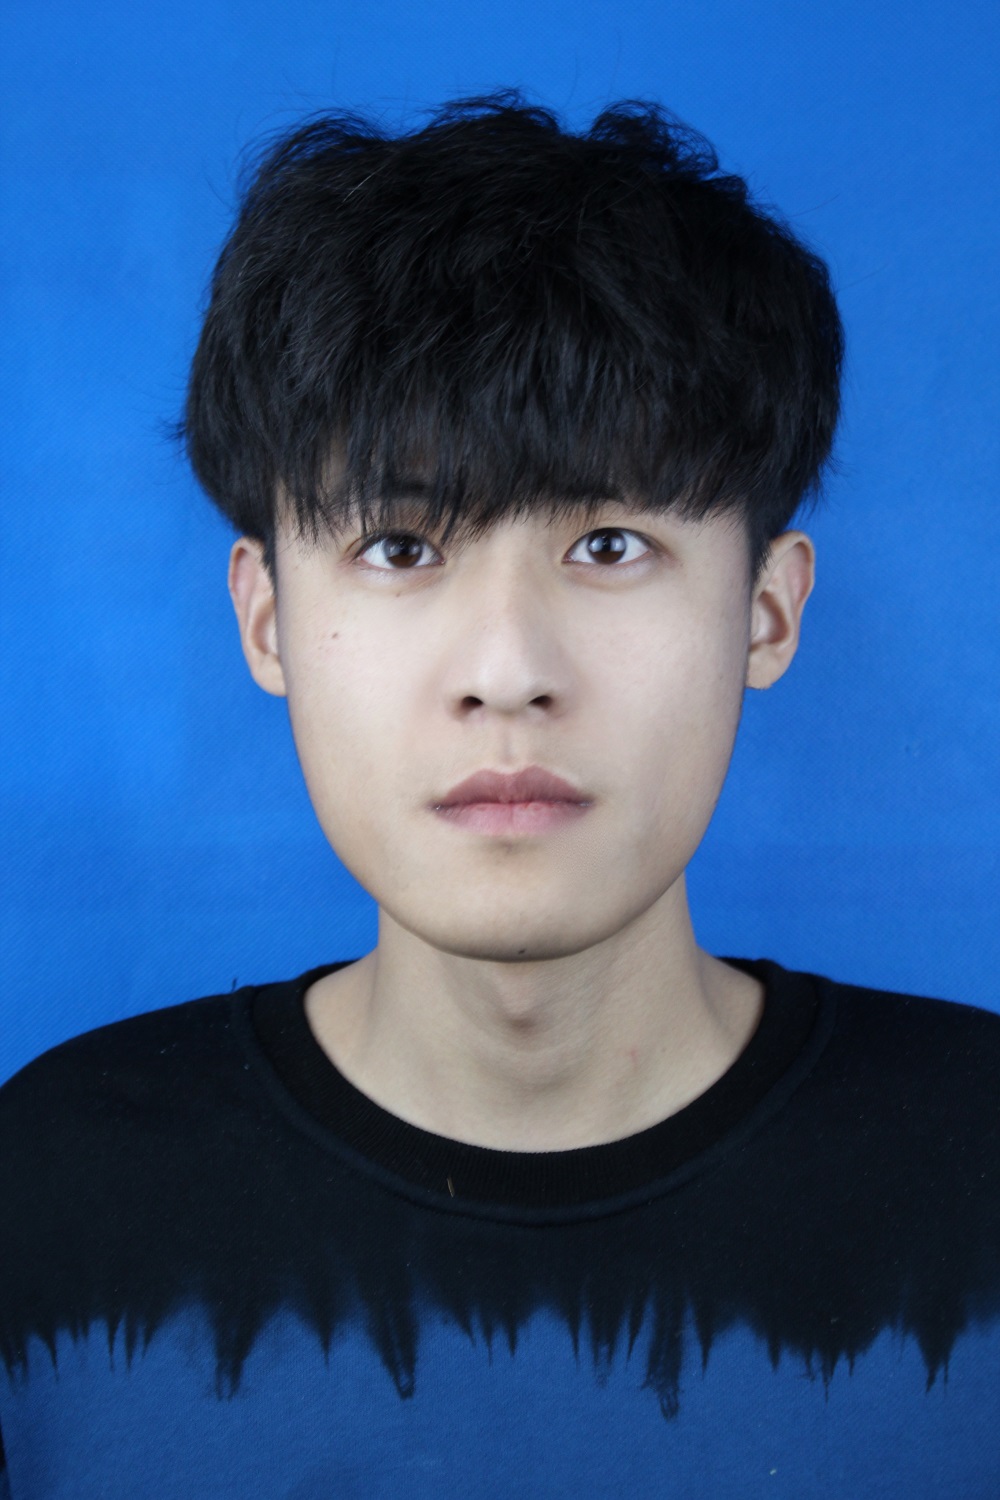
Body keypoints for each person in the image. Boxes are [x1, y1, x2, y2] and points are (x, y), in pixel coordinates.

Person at [1, 89, 997, 1498]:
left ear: (767, 613)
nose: (508, 672)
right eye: (402, 548)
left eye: (610, 543)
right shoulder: (50, 1193)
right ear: (267, 619)